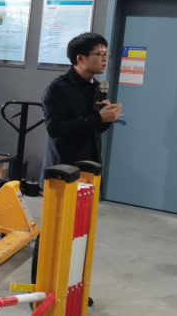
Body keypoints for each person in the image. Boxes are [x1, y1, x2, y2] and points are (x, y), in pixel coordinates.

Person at [32, 32, 122, 307]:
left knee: (80, 234)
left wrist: (107, 118)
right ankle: (40, 291)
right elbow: (56, 128)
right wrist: (96, 118)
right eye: (100, 54)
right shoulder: (57, 89)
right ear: (80, 58)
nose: (105, 59)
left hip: (89, 171)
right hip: (63, 173)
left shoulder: (95, 87)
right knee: (53, 234)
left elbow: (93, 128)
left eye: (106, 54)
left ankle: (72, 288)